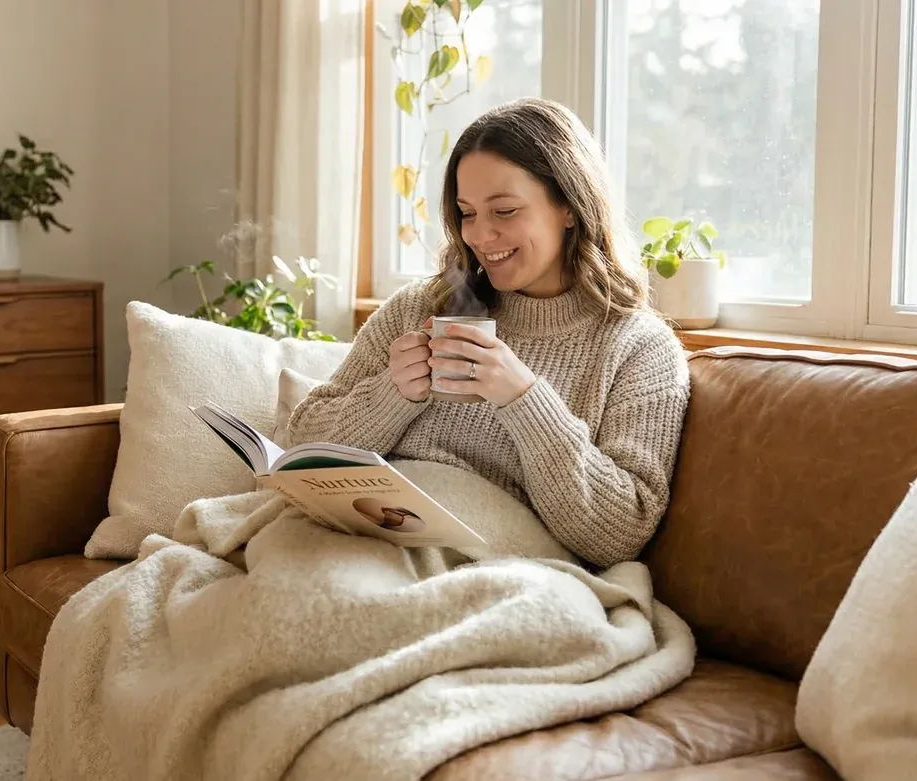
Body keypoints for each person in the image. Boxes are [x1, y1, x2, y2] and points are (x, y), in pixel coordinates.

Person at [285, 97, 690, 569]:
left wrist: (524, 399)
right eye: (467, 212)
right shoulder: (421, 308)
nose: (479, 235)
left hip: (491, 568)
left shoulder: (639, 349)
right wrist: (390, 395)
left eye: (504, 211)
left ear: (570, 208)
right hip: (355, 543)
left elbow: (619, 533)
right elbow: (302, 446)